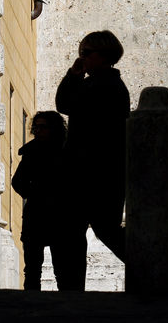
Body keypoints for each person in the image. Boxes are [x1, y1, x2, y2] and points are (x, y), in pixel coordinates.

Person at [56, 30, 130, 271]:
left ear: (103, 55)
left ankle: (148, 265)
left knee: (89, 228)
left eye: (86, 53)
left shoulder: (103, 86)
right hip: (97, 170)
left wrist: (73, 76)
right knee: (93, 228)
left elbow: (64, 104)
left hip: (92, 170)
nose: (81, 58)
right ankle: (148, 266)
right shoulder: (105, 84)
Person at [12, 111, 85, 290]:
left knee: (62, 270)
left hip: (62, 217)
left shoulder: (69, 152)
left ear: (54, 128)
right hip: (36, 216)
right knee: (32, 271)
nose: (37, 131)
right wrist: (35, 194)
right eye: (35, 127)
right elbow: (18, 181)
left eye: (42, 127)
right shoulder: (31, 152)